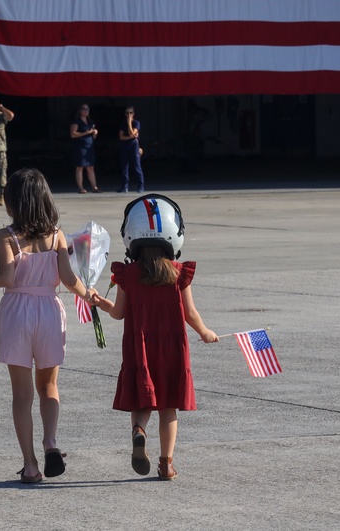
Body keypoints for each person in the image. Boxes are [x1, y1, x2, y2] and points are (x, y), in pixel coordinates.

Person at [0, 168, 93, 484]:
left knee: (22, 395)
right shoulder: (56, 234)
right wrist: (90, 295)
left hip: (17, 312)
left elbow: (7, 278)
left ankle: (30, 466)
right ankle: (51, 442)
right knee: (49, 387)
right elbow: (70, 280)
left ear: (13, 202)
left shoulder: (6, 236)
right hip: (49, 310)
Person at [89, 195, 218, 481]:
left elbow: (119, 313)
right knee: (169, 406)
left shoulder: (129, 274)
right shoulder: (178, 274)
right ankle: (166, 464)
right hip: (172, 349)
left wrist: (101, 303)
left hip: (140, 347)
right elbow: (190, 313)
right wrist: (206, 332)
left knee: (143, 400)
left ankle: (138, 431)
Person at [69, 104, 100, 194]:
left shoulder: (90, 122)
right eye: (84, 109)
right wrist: (85, 133)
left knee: (90, 167)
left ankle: (94, 187)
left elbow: (93, 136)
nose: (86, 111)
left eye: (87, 109)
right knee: (80, 167)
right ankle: (81, 187)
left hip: (89, 147)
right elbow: (73, 134)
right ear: (80, 111)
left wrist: (94, 133)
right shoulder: (76, 121)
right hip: (80, 147)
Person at [118, 107, 144, 193]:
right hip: (125, 147)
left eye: (130, 113)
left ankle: (140, 186)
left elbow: (131, 132)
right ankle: (124, 186)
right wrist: (130, 137)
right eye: (127, 113)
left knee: (137, 166)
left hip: (134, 146)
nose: (129, 115)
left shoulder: (136, 123)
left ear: (133, 114)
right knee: (124, 167)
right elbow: (121, 137)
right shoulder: (122, 123)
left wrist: (129, 122)